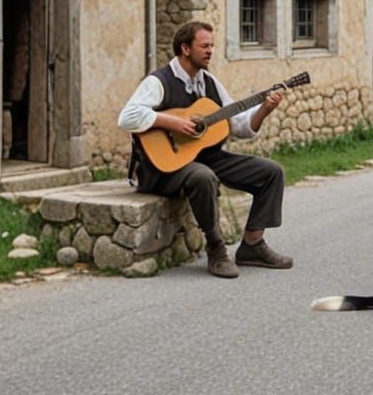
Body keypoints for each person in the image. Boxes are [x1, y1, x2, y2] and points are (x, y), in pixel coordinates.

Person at [118, 20, 293, 278]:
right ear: (185, 48)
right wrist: (174, 121)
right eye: (205, 46)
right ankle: (216, 247)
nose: (210, 51)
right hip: (162, 167)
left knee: (271, 172)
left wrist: (265, 109)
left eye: (212, 45)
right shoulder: (159, 81)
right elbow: (127, 117)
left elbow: (240, 125)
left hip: (206, 157)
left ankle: (252, 245)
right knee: (202, 176)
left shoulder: (209, 82)